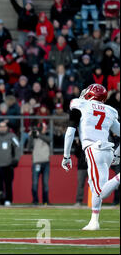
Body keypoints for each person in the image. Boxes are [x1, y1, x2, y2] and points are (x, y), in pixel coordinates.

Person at [62, 84, 120, 230]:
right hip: (107, 150)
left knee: (100, 192)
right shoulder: (109, 111)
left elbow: (70, 133)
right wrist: (117, 154)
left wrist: (66, 156)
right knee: (95, 188)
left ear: (90, 95)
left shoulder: (80, 105)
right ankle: (94, 221)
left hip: (93, 149)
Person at [0, 121, 21, 206]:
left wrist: (16, 159)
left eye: (4, 126)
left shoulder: (12, 136)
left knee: (8, 184)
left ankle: (8, 199)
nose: (2, 128)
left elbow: (18, 147)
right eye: (0, 126)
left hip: (8, 164)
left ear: (7, 128)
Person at [27, 122, 51, 205]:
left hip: (46, 162)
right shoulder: (34, 137)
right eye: (43, 128)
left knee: (45, 184)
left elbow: (49, 140)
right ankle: (35, 201)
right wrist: (30, 137)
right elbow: (29, 148)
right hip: (36, 162)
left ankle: (46, 201)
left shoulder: (46, 136)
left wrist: (39, 135)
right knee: (35, 183)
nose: (44, 129)